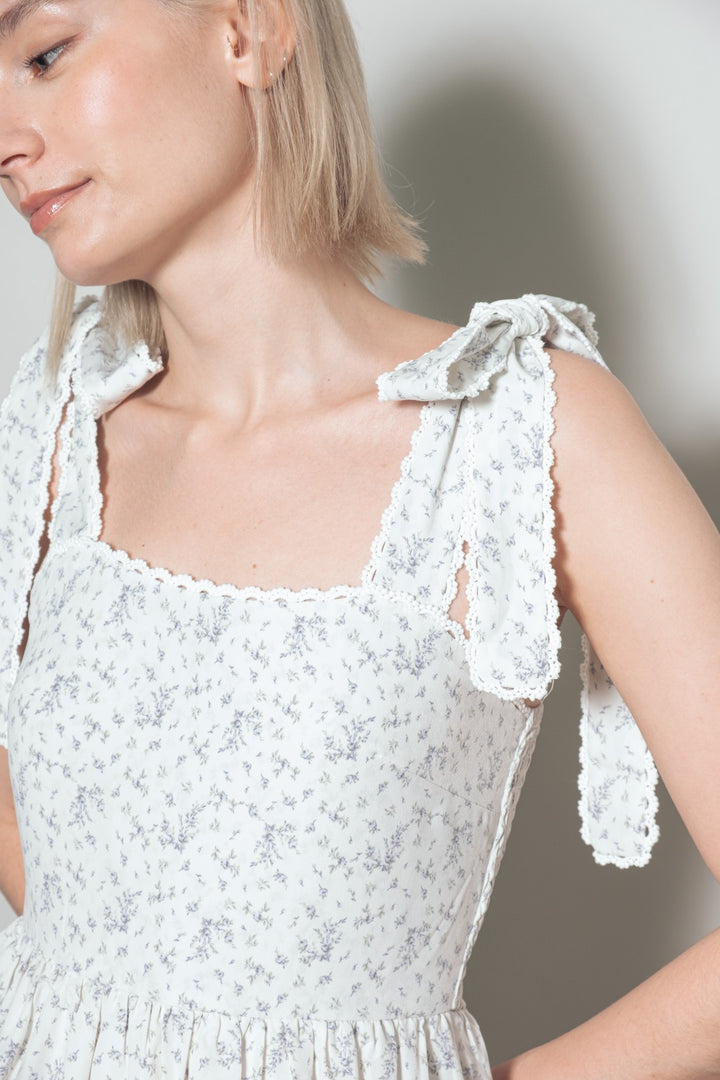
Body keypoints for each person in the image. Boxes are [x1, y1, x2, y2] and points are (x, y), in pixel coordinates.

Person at [0, 0, 718, 1076]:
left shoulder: (524, 428)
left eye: (45, 53)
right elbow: (61, 870)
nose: (7, 134)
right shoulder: (49, 431)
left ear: (249, 31)